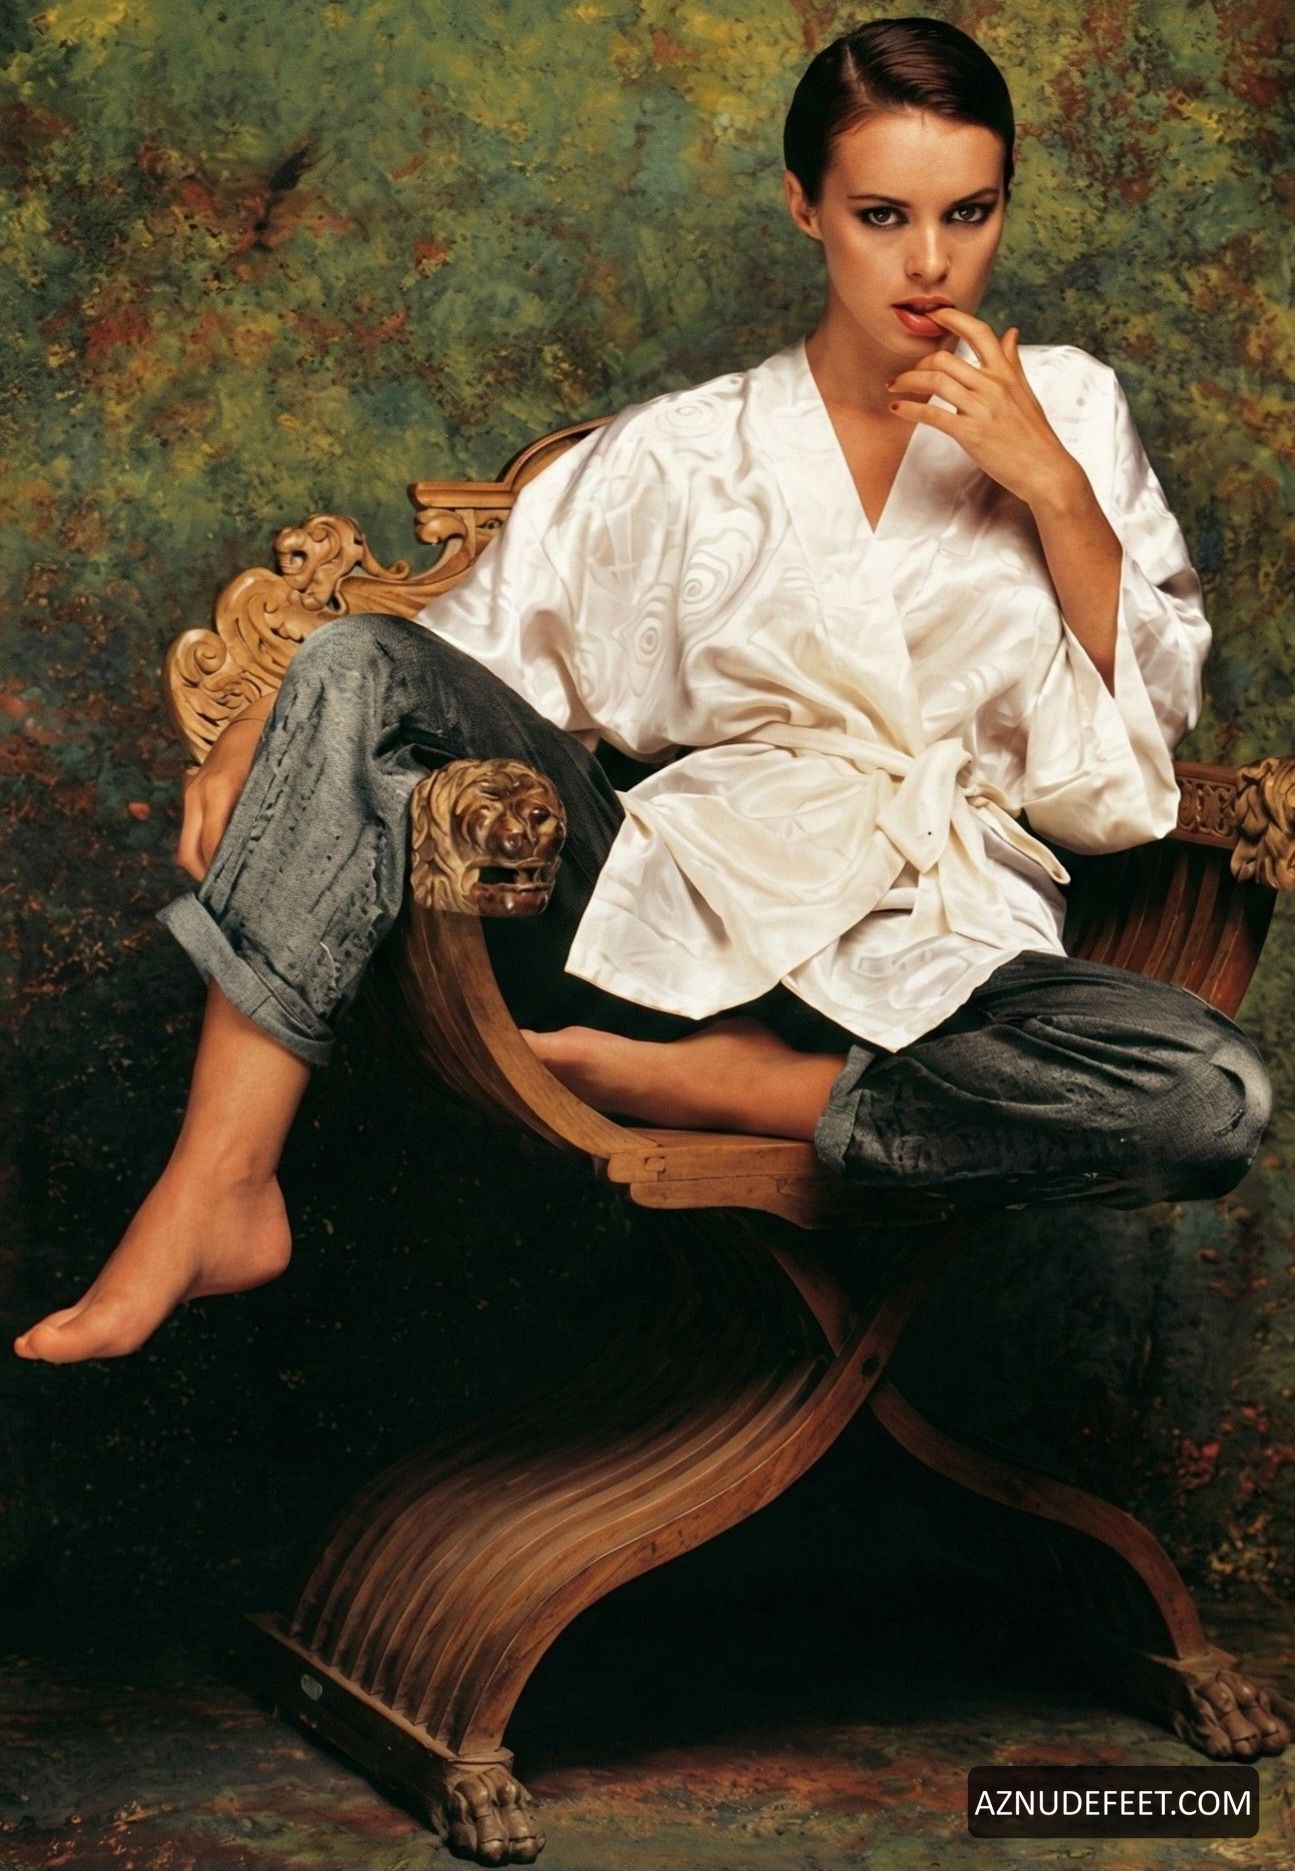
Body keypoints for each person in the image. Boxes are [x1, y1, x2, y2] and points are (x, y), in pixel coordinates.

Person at [14, 17, 1272, 1365]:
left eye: (968, 212)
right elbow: (450, 663)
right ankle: (220, 1186)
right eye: (881, 215)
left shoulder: (1066, 409)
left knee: (1208, 1097)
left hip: (939, 958)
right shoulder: (680, 453)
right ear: (805, 207)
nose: (929, 262)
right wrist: (277, 720)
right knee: (357, 659)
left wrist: (1055, 492)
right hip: (672, 913)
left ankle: (765, 1090)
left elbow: (1142, 740)